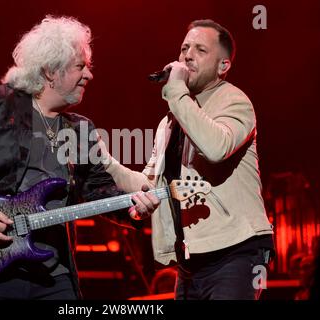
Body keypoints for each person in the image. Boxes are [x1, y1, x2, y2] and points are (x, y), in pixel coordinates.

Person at [0, 15, 159, 300]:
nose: (89, 75)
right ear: (52, 71)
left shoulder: (80, 128)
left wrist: (132, 209)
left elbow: (98, 189)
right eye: (80, 67)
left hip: (53, 273)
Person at [100, 19, 274, 300]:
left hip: (236, 251)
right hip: (191, 260)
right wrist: (103, 159)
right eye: (184, 48)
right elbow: (148, 182)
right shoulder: (170, 121)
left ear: (223, 66)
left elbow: (216, 148)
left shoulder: (234, 101)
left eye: (200, 50)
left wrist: (176, 91)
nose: (187, 55)